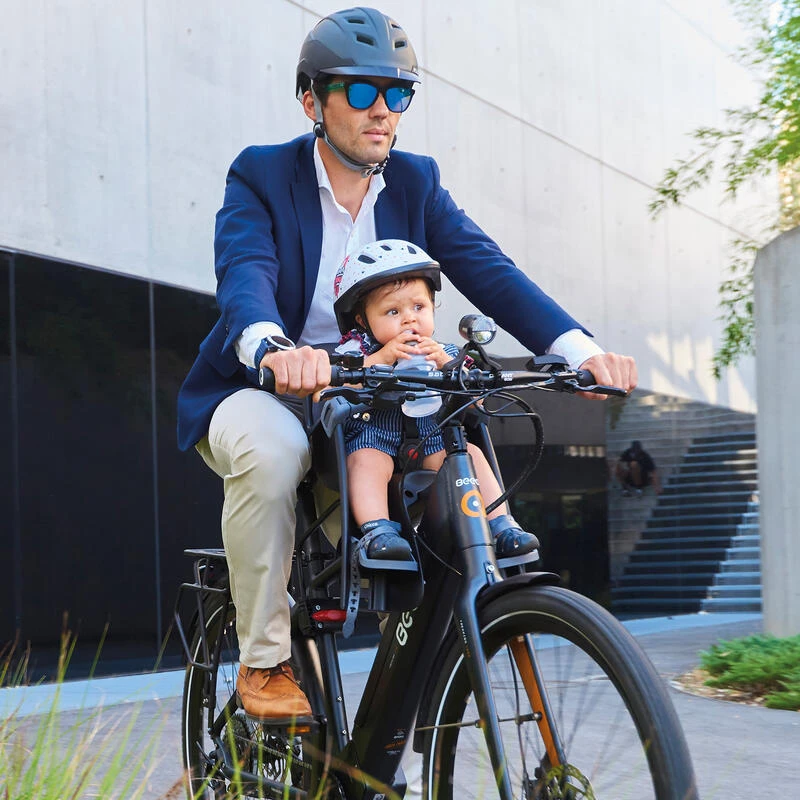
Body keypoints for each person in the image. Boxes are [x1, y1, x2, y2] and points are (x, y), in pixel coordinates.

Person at [176, 7, 638, 723]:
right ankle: (265, 662)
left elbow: (492, 271)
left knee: (448, 460)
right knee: (275, 454)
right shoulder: (263, 175)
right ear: (312, 101)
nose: (383, 111)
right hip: (263, 387)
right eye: (362, 93)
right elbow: (245, 280)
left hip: (375, 401)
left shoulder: (415, 184)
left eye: (398, 94)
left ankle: (413, 714)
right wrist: (275, 349)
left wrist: (580, 351)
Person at [331, 238, 539, 563]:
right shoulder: (359, 351)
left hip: (432, 439)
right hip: (375, 437)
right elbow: (335, 379)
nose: (409, 320)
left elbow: (478, 404)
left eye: (418, 307)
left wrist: (447, 365)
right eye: (392, 311)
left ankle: (500, 524)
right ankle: (377, 530)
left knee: (469, 453)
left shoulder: (446, 352)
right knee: (366, 463)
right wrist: (381, 360)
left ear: (433, 306)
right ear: (362, 320)